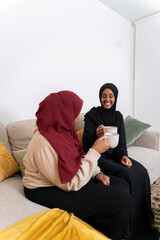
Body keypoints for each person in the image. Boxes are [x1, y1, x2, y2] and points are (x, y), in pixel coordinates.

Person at [23, 90, 132, 240]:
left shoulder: (63, 131)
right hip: (44, 188)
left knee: (121, 184)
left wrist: (96, 173)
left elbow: (78, 158)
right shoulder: (43, 143)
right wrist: (95, 151)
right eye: (74, 112)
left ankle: (104, 233)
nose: (76, 117)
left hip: (66, 179)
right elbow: (70, 183)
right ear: (62, 112)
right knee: (121, 198)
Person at [83, 83, 159, 240]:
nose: (107, 99)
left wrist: (123, 156)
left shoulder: (118, 116)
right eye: (104, 96)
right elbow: (86, 145)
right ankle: (129, 228)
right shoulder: (92, 116)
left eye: (111, 96)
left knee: (141, 172)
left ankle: (141, 221)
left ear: (115, 98)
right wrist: (96, 136)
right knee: (129, 176)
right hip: (99, 158)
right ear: (100, 97)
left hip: (115, 156)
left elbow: (121, 143)